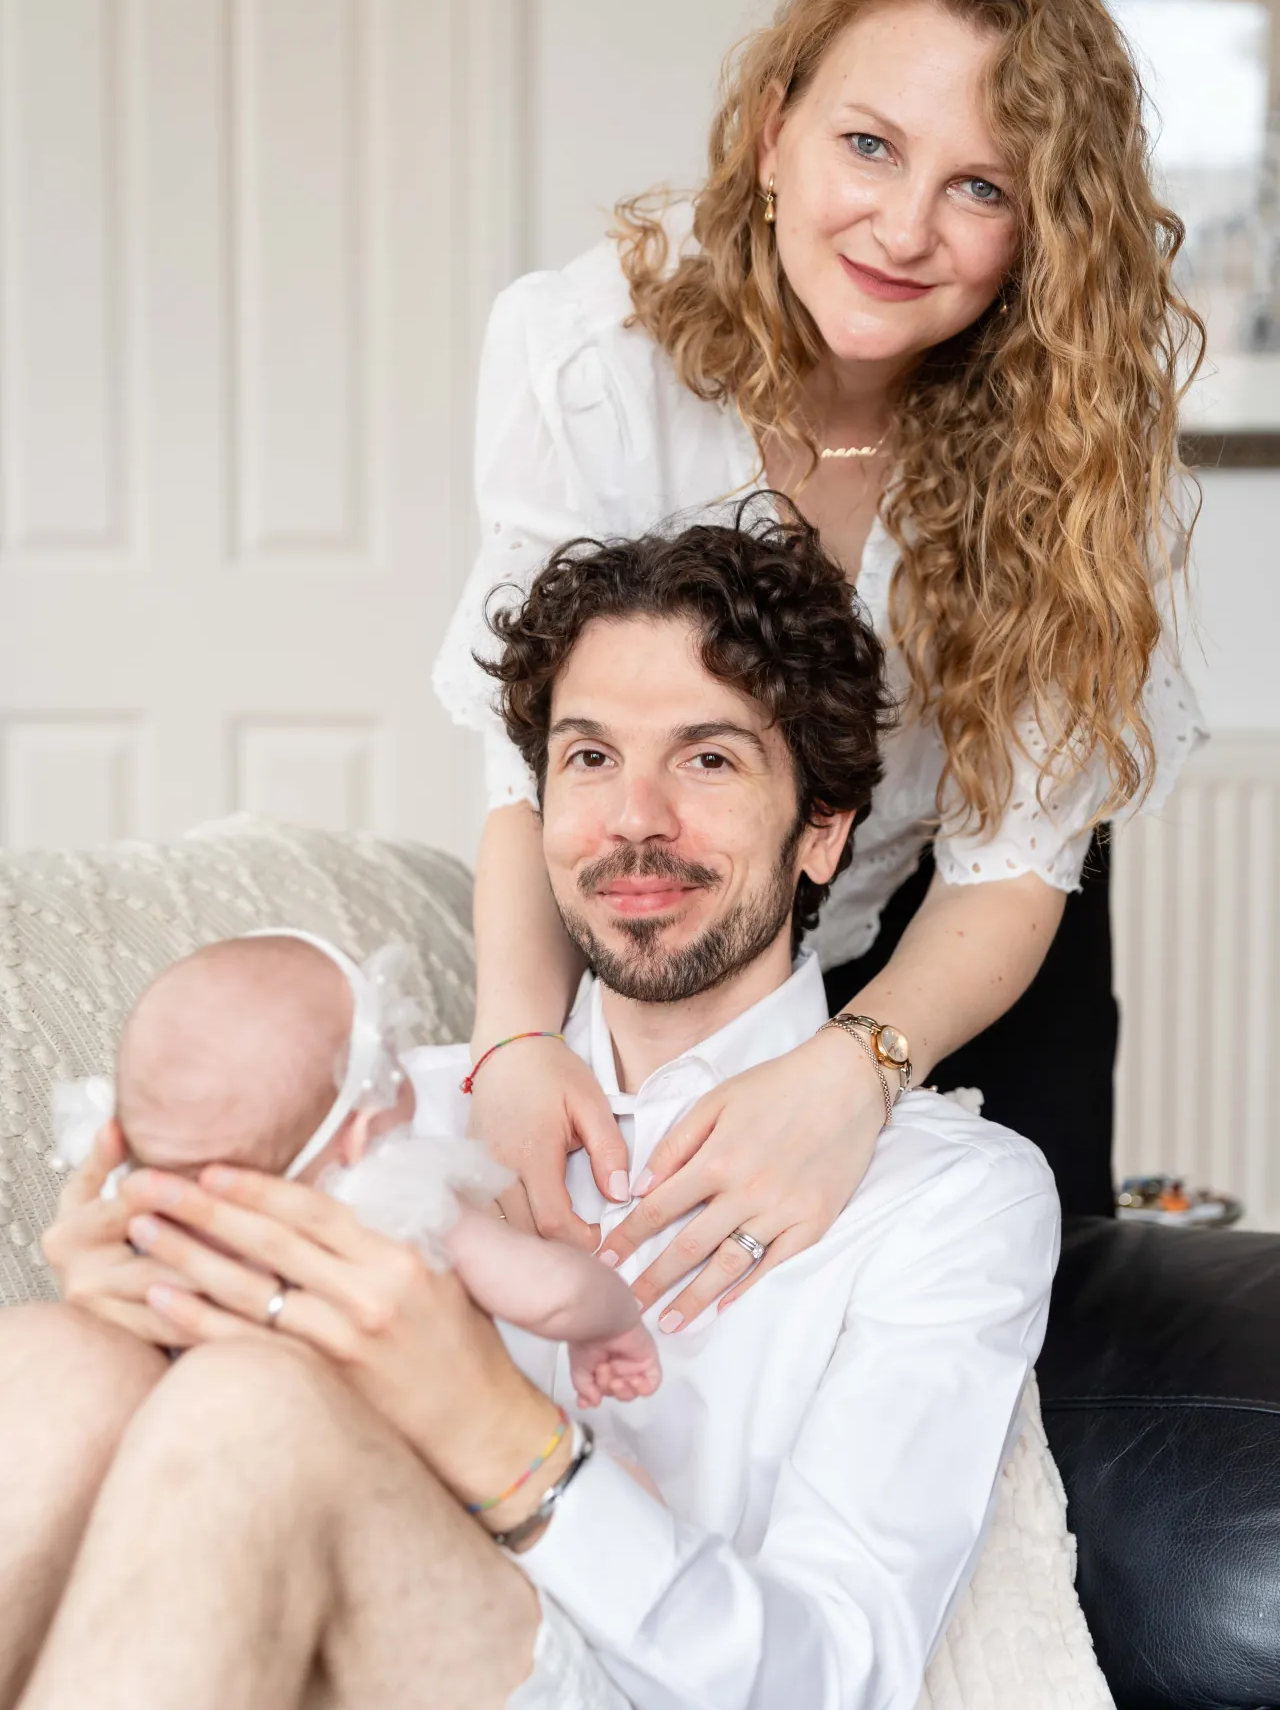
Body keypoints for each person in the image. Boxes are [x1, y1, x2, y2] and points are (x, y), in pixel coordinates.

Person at [0, 511, 1059, 1710]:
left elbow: (838, 1678)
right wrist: (155, 1311)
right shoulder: (391, 1104)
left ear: (821, 830)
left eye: (708, 759)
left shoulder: (949, 1196)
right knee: (61, 1357)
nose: (633, 820)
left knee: (261, 1414)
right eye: (589, 759)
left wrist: (505, 1440)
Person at [432, 0, 1205, 1299]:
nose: (905, 228)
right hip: (691, 905)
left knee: (1013, 1328)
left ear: (1040, 233)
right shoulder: (589, 355)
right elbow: (533, 759)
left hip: (957, 927)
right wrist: (518, 1044)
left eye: (982, 187)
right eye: (869, 144)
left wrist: (858, 1064)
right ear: (774, 129)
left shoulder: (1077, 435)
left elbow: (1014, 859)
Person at [50, 930, 659, 1407]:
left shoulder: (138, 1239)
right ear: (366, 1133)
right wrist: (613, 1324)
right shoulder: (383, 1205)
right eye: (395, 1058)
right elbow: (553, 1294)